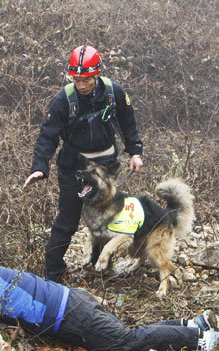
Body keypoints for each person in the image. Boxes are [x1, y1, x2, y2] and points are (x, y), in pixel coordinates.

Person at [0, 244, 219, 351]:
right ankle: (193, 324)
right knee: (130, 334)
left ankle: (199, 342)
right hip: (72, 302)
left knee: (130, 341)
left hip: (69, 315)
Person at [23, 45, 143, 282]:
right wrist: (39, 167)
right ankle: (53, 273)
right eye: (77, 79)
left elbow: (128, 124)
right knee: (67, 222)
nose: (81, 84)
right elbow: (48, 135)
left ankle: (100, 265)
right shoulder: (64, 99)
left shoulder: (113, 92)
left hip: (106, 169)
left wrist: (135, 152)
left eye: (86, 79)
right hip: (73, 170)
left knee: (105, 218)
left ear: (96, 73)